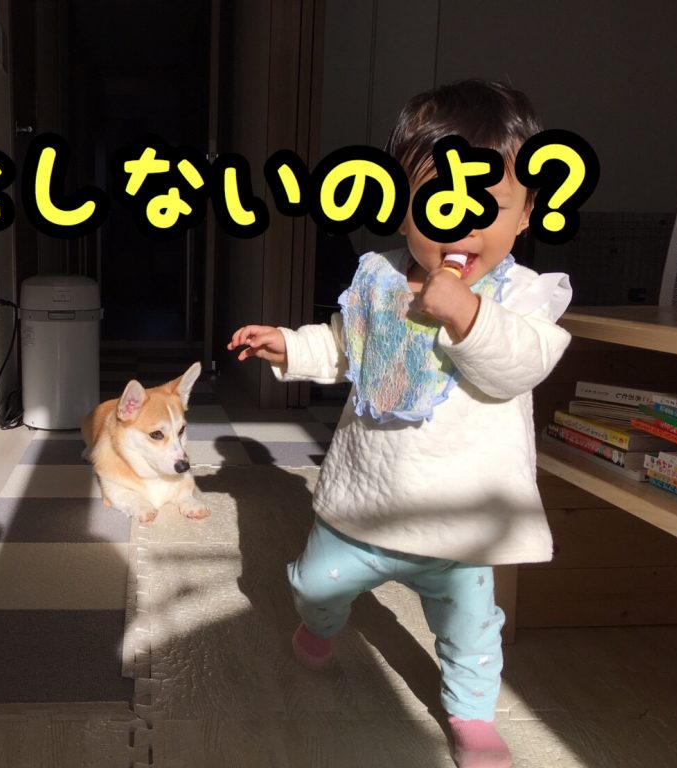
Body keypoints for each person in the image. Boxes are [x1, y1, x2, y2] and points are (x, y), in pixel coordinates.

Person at [228, 79, 572, 768]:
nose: (462, 224)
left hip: (458, 523)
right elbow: (343, 346)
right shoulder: (379, 281)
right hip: (365, 503)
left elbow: (520, 366)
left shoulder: (522, 296)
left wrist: (467, 316)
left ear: (526, 213)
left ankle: (471, 714)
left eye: (489, 206)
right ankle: (321, 625)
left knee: (471, 630)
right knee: (314, 586)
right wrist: (290, 347)